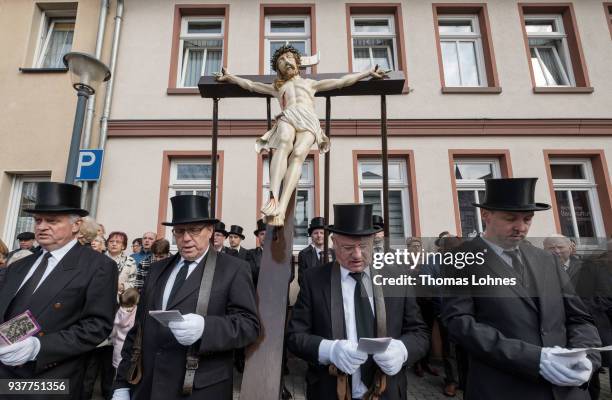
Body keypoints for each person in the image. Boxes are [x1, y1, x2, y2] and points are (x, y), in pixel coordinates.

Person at [441, 178, 602, 400]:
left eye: (528, 219)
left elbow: (580, 318)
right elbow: (459, 323)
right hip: (503, 388)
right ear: (485, 215)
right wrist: (534, 359)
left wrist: (587, 358)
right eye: (510, 219)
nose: (521, 227)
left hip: (568, 390)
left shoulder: (547, 260)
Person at [216, 45, 387, 226]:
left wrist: (367, 73)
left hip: (308, 120)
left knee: (298, 155)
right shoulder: (277, 87)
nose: (286, 61)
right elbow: (250, 85)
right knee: (283, 141)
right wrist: (230, 77)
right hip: (288, 115)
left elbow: (341, 82)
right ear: (278, 68)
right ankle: (273, 197)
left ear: (297, 62)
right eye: (281, 60)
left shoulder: (309, 83)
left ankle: (281, 208)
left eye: (289, 57)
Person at [112, 195, 260, 400]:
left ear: (210, 231)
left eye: (194, 230)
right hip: (149, 386)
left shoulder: (233, 269)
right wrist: (121, 384)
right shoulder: (157, 270)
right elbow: (138, 331)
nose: (186, 238)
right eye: (180, 231)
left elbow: (249, 326)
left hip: (199, 389)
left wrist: (205, 328)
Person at [288, 203, 430, 400]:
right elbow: (295, 337)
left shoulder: (397, 275)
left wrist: (403, 351)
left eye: (363, 246)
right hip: (330, 392)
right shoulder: (314, 280)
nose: (356, 255)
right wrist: (330, 350)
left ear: (372, 241)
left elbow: (419, 333)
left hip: (388, 392)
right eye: (347, 247)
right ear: (334, 243)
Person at [0, 182, 117, 400]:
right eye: (38, 220)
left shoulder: (97, 266)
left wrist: (39, 347)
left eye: (52, 221)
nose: (42, 227)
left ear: (76, 225)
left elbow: (96, 326)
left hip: (49, 381)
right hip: (5, 375)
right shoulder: (18, 266)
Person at [297, 217, 335, 288]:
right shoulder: (304, 254)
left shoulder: (333, 253)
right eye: (315, 233)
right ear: (311, 235)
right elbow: (301, 279)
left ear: (326, 235)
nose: (319, 236)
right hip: (311, 294)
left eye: (322, 233)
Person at [111, 288, 139, 372]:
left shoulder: (119, 312)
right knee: (127, 372)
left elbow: (114, 333)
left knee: (117, 372)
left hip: (117, 348)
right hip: (129, 348)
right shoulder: (134, 313)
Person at [246, 219, 266, 286]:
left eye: (268, 234)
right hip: (257, 292)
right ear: (258, 236)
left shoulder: (279, 254)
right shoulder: (250, 254)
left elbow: (289, 276)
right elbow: (251, 274)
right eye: (262, 234)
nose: (265, 237)